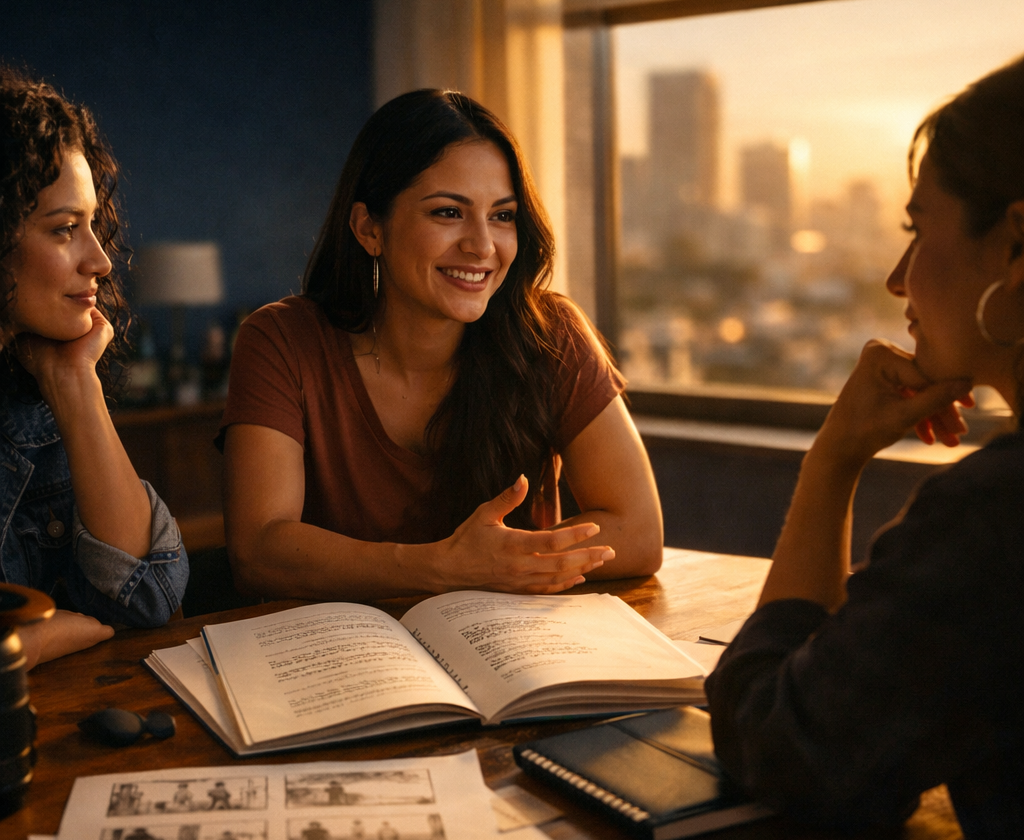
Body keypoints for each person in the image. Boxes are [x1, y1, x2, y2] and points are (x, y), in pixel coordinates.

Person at [706, 56, 1024, 840]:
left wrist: (832, 460)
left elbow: (787, 744)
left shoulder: (995, 517)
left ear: (1015, 246)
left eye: (917, 229)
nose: (896, 277)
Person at [221, 89, 662, 601]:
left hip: (502, 654)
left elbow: (638, 534)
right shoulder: (281, 341)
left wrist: (490, 565)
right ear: (369, 228)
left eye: (502, 215)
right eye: (449, 213)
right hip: (335, 660)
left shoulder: (551, 333)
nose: (482, 246)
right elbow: (258, 551)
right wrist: (445, 567)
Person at [0, 65, 188, 666]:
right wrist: (26, 645)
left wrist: (75, 384)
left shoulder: (35, 392)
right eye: (63, 230)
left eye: (92, 225)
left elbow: (148, 593)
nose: (101, 260)